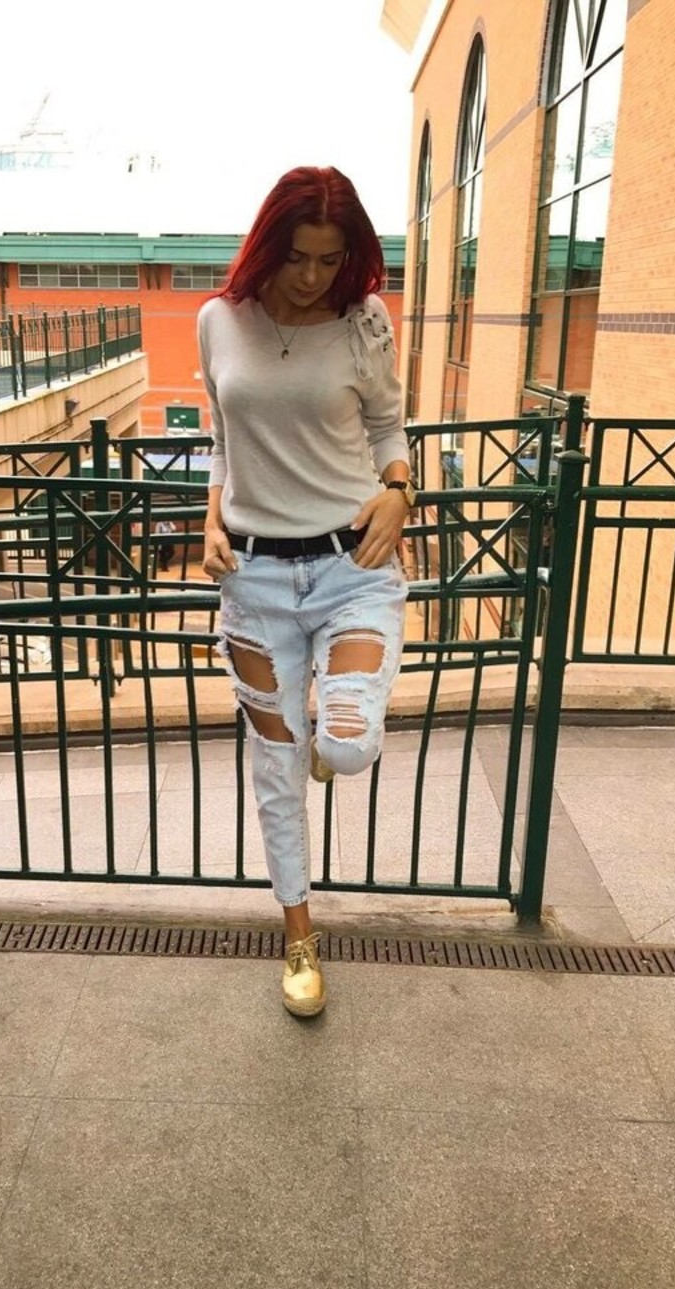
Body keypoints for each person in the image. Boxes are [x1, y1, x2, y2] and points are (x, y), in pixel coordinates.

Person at [197, 166, 415, 1018]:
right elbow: (223, 437)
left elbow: (387, 425)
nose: (313, 276)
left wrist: (400, 491)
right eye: (297, 257)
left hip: (350, 565)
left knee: (348, 744)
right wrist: (210, 519)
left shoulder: (364, 323)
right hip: (253, 580)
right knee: (277, 769)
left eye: (330, 258)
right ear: (268, 246)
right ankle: (298, 936)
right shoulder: (219, 322)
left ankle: (328, 737)